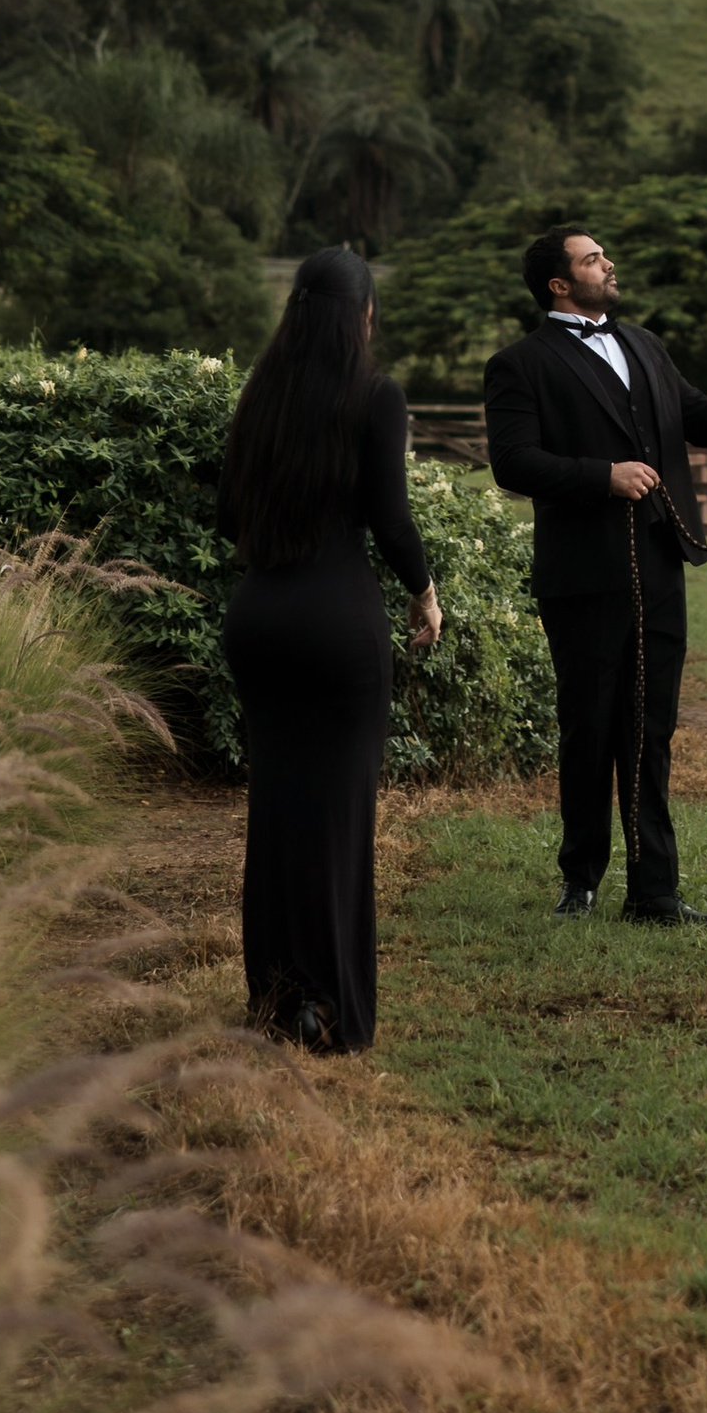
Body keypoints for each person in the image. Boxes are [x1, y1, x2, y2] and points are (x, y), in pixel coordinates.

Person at [484, 225, 707, 924]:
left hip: (660, 559)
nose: (607, 264)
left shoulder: (645, 343)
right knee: (589, 727)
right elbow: (512, 463)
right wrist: (603, 477)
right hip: (583, 575)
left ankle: (654, 891)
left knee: (652, 729)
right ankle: (580, 877)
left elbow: (697, 418)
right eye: (592, 259)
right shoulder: (519, 364)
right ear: (560, 284)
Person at [217, 245, 442, 1051]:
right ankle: (330, 1010)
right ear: (364, 316)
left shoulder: (261, 394)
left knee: (278, 811)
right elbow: (391, 517)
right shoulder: (375, 395)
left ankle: (277, 1002)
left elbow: (224, 513)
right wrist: (424, 589)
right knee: (339, 819)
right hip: (337, 622)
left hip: (260, 618)